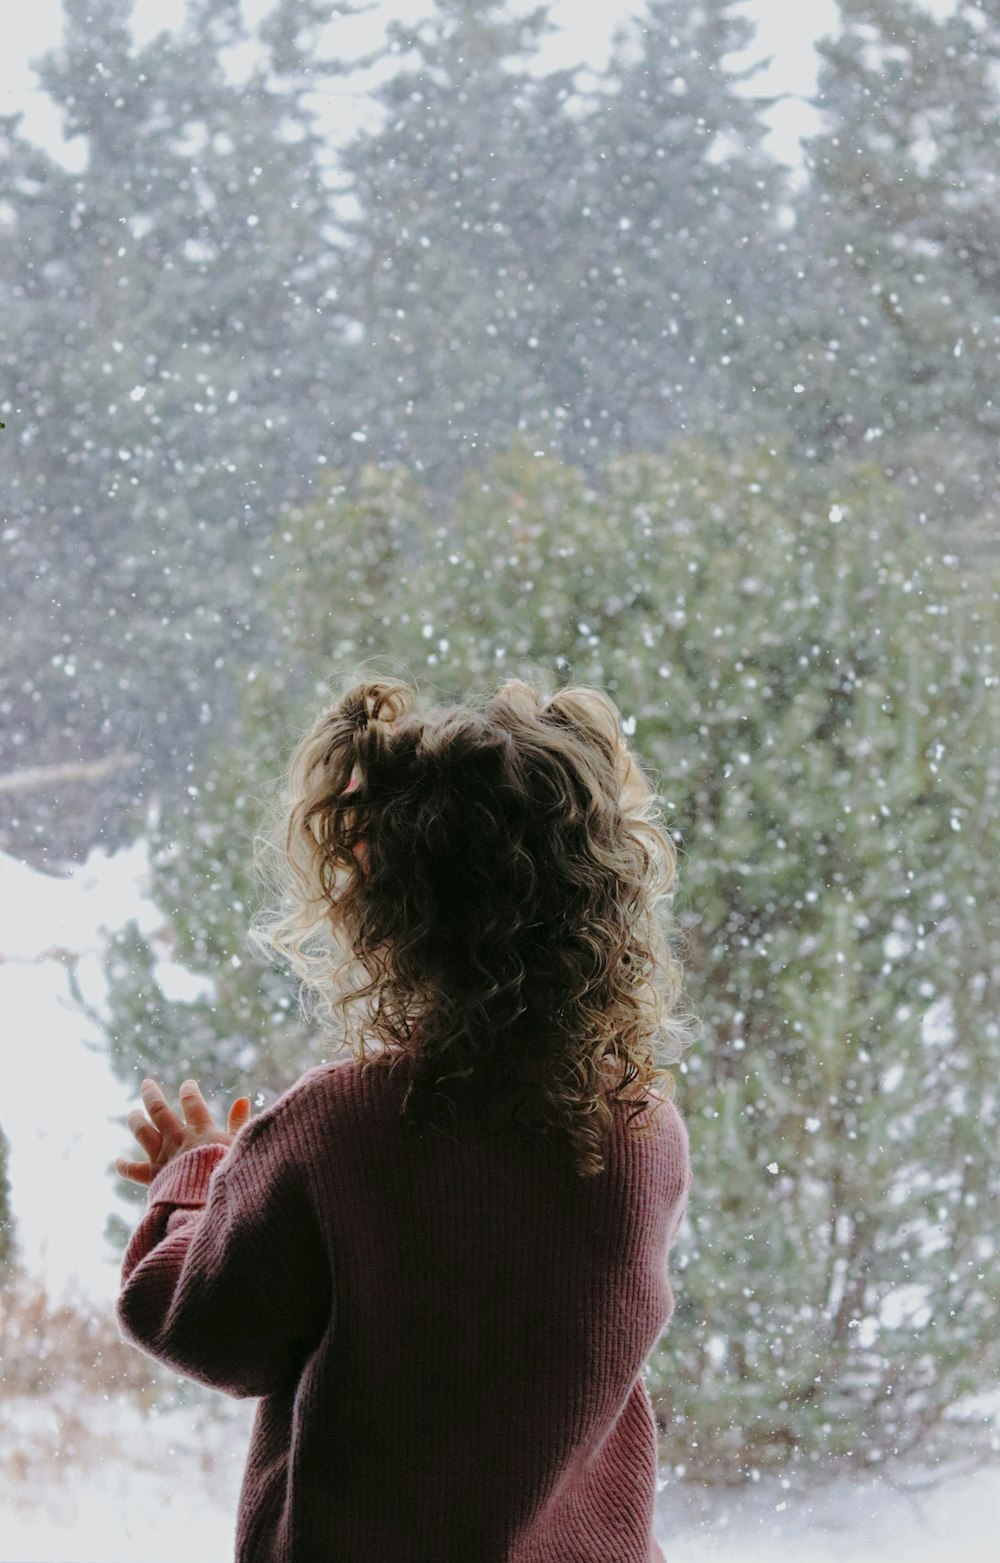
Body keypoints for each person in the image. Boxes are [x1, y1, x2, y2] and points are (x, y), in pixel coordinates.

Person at [114, 672, 695, 1562]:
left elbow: (207, 1325)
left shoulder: (336, 1131)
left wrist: (196, 1176)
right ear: (607, 903)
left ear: (383, 914)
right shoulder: (642, 1134)